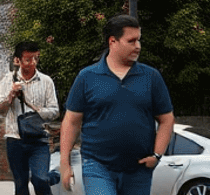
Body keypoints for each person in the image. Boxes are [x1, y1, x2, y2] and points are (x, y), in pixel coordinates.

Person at [59, 15, 174, 195]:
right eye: (131, 41)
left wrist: (157, 155)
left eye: (139, 40)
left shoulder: (151, 77)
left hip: (139, 169)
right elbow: (71, 121)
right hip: (97, 165)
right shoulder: (87, 77)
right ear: (113, 41)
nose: (138, 46)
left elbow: (167, 120)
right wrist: (64, 164)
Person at [0, 40, 59, 195]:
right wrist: (11, 95)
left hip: (39, 139)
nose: (33, 63)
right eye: (28, 59)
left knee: (40, 179)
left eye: (36, 58)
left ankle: (52, 176)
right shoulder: (7, 80)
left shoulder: (46, 81)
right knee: (20, 184)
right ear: (18, 60)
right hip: (15, 138)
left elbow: (55, 111)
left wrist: (37, 112)